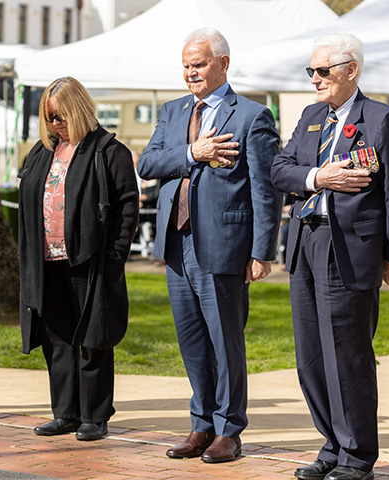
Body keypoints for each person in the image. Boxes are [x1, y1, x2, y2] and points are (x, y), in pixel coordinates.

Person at [271, 33, 389, 480]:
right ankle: (332, 445)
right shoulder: (312, 116)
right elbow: (280, 169)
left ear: (350, 70)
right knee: (311, 354)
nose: (314, 79)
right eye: (310, 71)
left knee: (347, 354)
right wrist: (319, 176)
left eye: (322, 71)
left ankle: (357, 456)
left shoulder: (383, 120)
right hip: (305, 242)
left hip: (350, 249)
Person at [137, 27, 281, 463]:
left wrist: (261, 251)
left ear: (223, 63)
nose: (190, 73)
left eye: (198, 64)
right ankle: (200, 425)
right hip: (177, 246)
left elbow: (265, 189)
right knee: (192, 343)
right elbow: (147, 163)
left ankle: (229, 430)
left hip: (224, 246)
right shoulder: (172, 111)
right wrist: (192, 152)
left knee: (225, 343)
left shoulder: (252, 116)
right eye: (185, 65)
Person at [17, 77, 139, 442]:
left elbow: (127, 208)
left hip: (90, 262)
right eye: (50, 117)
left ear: (80, 110)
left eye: (62, 116)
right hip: (47, 262)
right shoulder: (42, 151)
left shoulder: (108, 151)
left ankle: (95, 416)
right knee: (58, 339)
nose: (56, 124)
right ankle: (66, 413)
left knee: (93, 339)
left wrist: (115, 258)